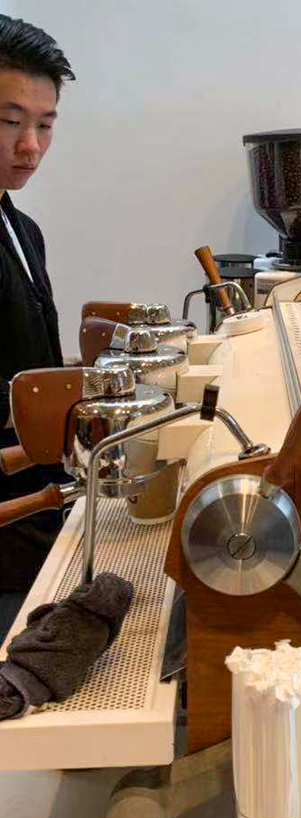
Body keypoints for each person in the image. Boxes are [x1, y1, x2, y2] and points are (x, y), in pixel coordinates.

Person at [0, 16, 74, 642]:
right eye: (9, 121)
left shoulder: (24, 231)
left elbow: (30, 364)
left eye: (45, 125)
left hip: (37, 510)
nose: (31, 146)